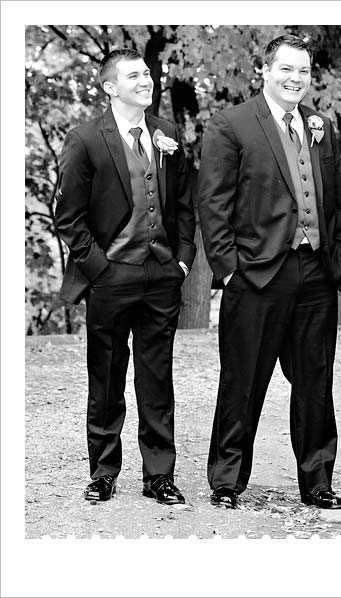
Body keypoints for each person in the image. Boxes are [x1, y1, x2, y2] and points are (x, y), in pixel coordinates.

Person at [198, 35, 341, 510]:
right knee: (243, 381)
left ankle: (317, 480)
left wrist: (337, 262)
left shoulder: (319, 125)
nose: (295, 79)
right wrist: (231, 272)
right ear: (264, 71)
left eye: (303, 71)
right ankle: (226, 480)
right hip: (257, 275)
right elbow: (213, 203)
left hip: (315, 274)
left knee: (315, 383)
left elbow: (336, 202)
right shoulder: (232, 124)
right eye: (285, 69)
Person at [55, 49, 196, 505]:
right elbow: (68, 217)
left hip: (161, 274)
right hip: (110, 275)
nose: (147, 79)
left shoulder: (167, 134)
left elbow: (183, 205)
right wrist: (99, 269)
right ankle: (103, 472)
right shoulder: (85, 139)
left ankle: (159, 476)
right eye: (134, 75)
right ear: (110, 87)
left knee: (157, 378)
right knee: (107, 375)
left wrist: (182, 260)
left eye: (148, 73)